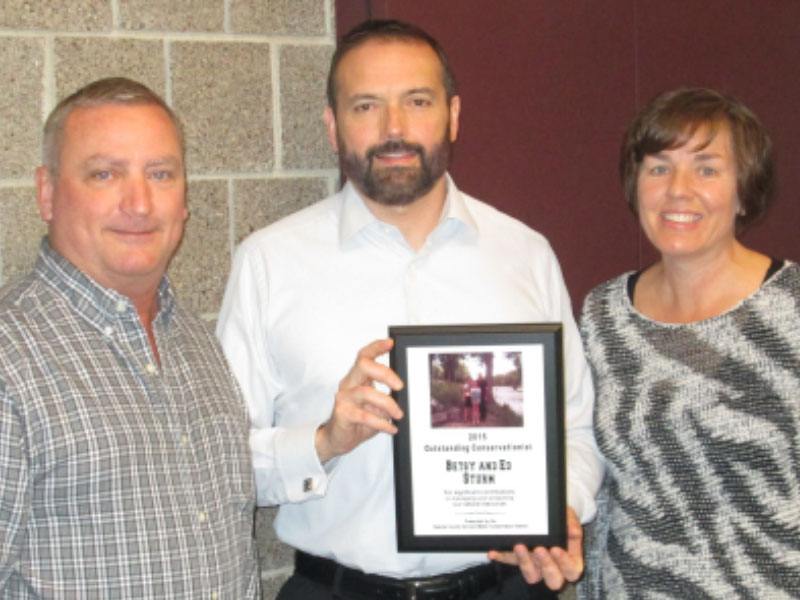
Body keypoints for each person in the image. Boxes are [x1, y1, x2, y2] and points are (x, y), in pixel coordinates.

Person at [217, 19, 602, 600]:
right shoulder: (268, 263)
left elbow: (575, 430)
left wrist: (558, 512)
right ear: (332, 126)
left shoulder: (524, 254)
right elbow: (222, 462)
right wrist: (325, 440)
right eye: (366, 106)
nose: (393, 129)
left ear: (452, 115)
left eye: (416, 102)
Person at [0, 77, 260, 597]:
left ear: (184, 199)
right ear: (47, 194)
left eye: (161, 174)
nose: (140, 203)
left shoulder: (195, 341)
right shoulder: (11, 360)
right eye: (104, 174)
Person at [579, 87, 800, 597]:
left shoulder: (791, 308)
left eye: (707, 168)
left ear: (745, 189)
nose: (678, 189)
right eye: (658, 167)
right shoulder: (603, 315)